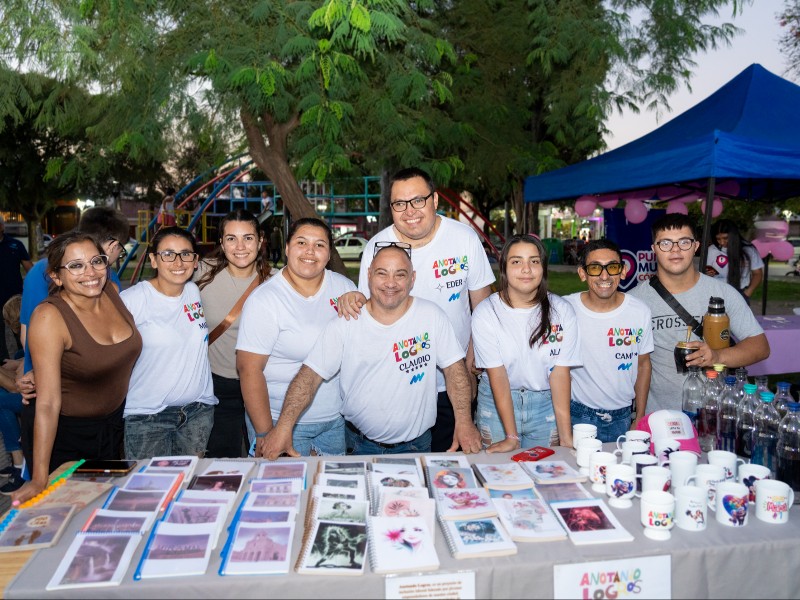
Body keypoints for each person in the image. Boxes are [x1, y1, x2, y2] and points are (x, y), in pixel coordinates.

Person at [258, 243, 482, 459]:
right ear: (369, 275)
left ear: (412, 279)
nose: (390, 283)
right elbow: (310, 376)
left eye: (400, 274)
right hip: (358, 445)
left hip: (418, 445)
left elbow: (455, 370)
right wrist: (283, 428)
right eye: (382, 273)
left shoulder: (432, 316)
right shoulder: (347, 322)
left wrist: (464, 422)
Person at [338, 167, 494, 453]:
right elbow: (369, 309)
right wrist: (351, 298)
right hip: (399, 384)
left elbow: (482, 311)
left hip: (451, 383)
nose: (409, 211)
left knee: (447, 468)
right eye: (399, 204)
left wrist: (471, 369)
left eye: (417, 200)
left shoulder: (464, 238)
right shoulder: (377, 246)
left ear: (434, 200)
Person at [11, 232, 142, 504]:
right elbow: (47, 403)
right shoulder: (49, 317)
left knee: (103, 516)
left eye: (97, 261)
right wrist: (39, 477)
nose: (90, 272)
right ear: (57, 277)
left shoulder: (111, 293)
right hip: (65, 435)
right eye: (76, 265)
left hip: (112, 429)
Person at [237, 218, 355, 457]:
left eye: (320, 245)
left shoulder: (343, 287)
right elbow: (249, 370)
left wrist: (361, 300)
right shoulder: (266, 300)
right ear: (288, 248)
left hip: (334, 421)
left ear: (329, 253)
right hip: (281, 422)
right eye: (302, 242)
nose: (310, 251)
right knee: (284, 491)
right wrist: (264, 433)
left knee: (327, 491)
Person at [630, 214, 770, 413]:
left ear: (696, 246)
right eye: (666, 243)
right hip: (658, 417)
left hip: (713, 415)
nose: (675, 249)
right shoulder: (634, 300)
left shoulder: (723, 293)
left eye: (684, 242)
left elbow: (760, 347)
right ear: (654, 249)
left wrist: (716, 356)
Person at [471, 234, 581, 450]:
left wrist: (566, 436)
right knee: (500, 474)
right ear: (504, 268)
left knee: (547, 473)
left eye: (534, 261)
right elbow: (498, 374)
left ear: (543, 267)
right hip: (496, 403)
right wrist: (511, 437)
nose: (526, 269)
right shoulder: (486, 312)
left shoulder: (562, 311)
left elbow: (559, 373)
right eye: (516, 261)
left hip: (545, 406)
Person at [121, 226, 217, 459]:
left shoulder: (193, 291)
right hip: (148, 417)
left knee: (189, 487)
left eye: (186, 254)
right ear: (154, 260)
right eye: (168, 254)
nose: (178, 262)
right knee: (147, 490)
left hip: (198, 412)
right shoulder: (134, 300)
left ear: (195, 261)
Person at [16, 207, 130, 396]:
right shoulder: (109, 278)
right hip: (83, 390)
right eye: (121, 249)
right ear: (113, 245)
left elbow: (25, 334)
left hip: (40, 382)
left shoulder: (39, 270)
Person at [195, 210, 273, 458]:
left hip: (264, 385)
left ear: (260, 241)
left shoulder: (277, 281)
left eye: (248, 238)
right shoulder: (200, 273)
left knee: (266, 457)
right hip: (217, 386)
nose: (240, 246)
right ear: (221, 242)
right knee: (221, 460)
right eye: (231, 238)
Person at [565, 239, 654, 441]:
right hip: (578, 415)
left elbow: (643, 365)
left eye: (612, 267)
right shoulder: (566, 309)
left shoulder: (639, 311)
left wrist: (639, 416)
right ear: (582, 273)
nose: (604, 275)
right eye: (595, 268)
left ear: (622, 271)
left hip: (623, 417)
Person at [704, 219, 764, 303]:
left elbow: (757, 273)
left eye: (726, 238)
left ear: (734, 235)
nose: (722, 242)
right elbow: (706, 272)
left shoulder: (748, 250)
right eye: (718, 239)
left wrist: (747, 293)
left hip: (740, 293)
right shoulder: (711, 250)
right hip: (716, 293)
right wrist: (707, 273)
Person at [0, 215, 33, 362]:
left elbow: (30, 271)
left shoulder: (16, 245)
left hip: (15, 300)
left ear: (2, 227)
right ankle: (3, 366)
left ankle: (25, 362)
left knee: (22, 335)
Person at [0, 295, 24, 492]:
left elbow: (16, 387)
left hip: (41, 398)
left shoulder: (33, 340)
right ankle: (18, 459)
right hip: (36, 392)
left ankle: (19, 463)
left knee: (1, 400)